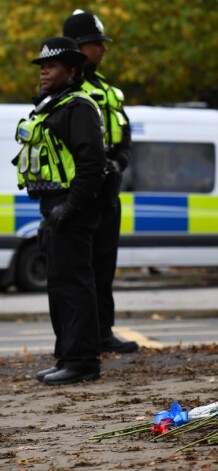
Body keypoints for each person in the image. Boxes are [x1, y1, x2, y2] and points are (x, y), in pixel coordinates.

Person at [13, 37, 107, 385]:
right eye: (42, 66)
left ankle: (83, 362)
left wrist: (69, 207)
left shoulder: (78, 107)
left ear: (71, 69)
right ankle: (68, 356)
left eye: (51, 66)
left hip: (72, 207)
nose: (44, 72)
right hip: (54, 206)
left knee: (75, 285)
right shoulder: (53, 106)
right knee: (60, 285)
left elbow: (92, 164)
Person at [63, 10, 137, 354]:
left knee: (104, 265)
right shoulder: (67, 88)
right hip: (82, 188)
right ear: (80, 46)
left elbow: (124, 133)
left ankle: (103, 331)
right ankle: (83, 340)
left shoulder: (107, 89)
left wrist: (118, 162)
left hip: (108, 189)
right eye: (97, 44)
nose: (103, 50)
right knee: (81, 271)